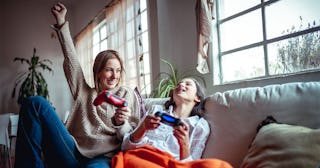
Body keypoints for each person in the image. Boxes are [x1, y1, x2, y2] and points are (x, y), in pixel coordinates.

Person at [14, 2, 140, 168]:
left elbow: (131, 138)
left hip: (102, 158)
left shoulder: (127, 94)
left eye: (118, 70)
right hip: (71, 151)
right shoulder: (85, 92)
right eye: (109, 70)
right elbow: (71, 59)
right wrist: (61, 23)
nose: (114, 75)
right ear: (98, 73)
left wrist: (120, 123)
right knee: (34, 103)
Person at [111, 78, 232, 168]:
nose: (181, 85)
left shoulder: (200, 126)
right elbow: (125, 146)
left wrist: (184, 145)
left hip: (171, 164)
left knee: (217, 165)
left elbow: (191, 164)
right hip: (141, 157)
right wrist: (142, 128)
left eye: (187, 84)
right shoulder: (155, 110)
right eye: (179, 83)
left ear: (197, 98)